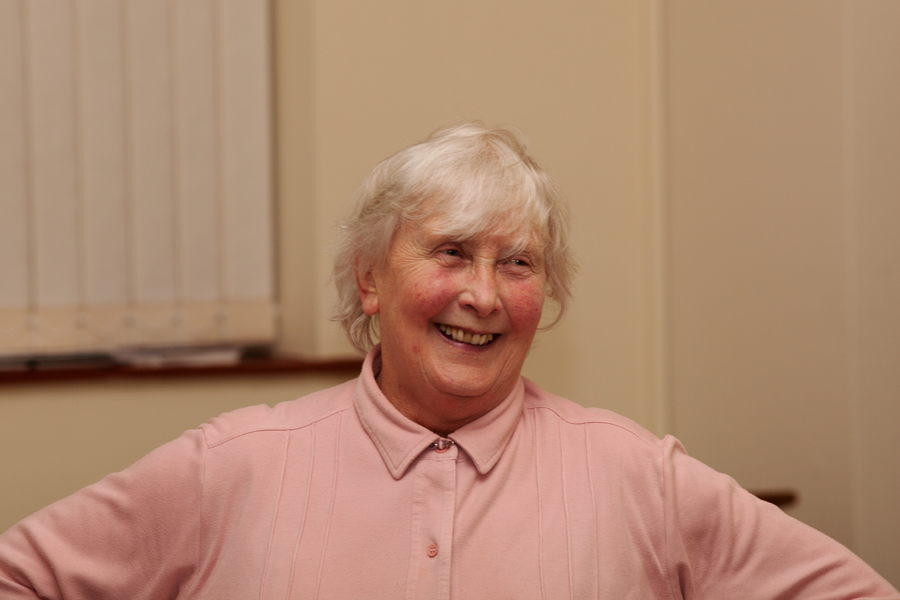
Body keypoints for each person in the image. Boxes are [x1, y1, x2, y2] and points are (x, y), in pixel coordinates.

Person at [0, 122, 896, 600]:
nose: (484, 294)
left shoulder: (642, 480)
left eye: (519, 263)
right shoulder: (228, 470)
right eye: (451, 253)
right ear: (370, 281)